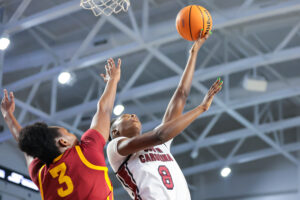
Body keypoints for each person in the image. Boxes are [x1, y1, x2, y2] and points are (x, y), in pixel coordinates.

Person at [107, 32, 223, 200]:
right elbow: (160, 135)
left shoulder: (160, 145)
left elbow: (182, 94)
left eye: (132, 114)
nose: (133, 115)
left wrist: (193, 53)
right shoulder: (116, 149)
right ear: (115, 132)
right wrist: (201, 108)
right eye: (125, 116)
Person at [1, 58, 121, 200]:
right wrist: (113, 80)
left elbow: (27, 143)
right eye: (68, 132)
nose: (73, 134)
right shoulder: (86, 154)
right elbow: (104, 109)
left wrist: (7, 115)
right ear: (63, 142)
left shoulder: (40, 174)